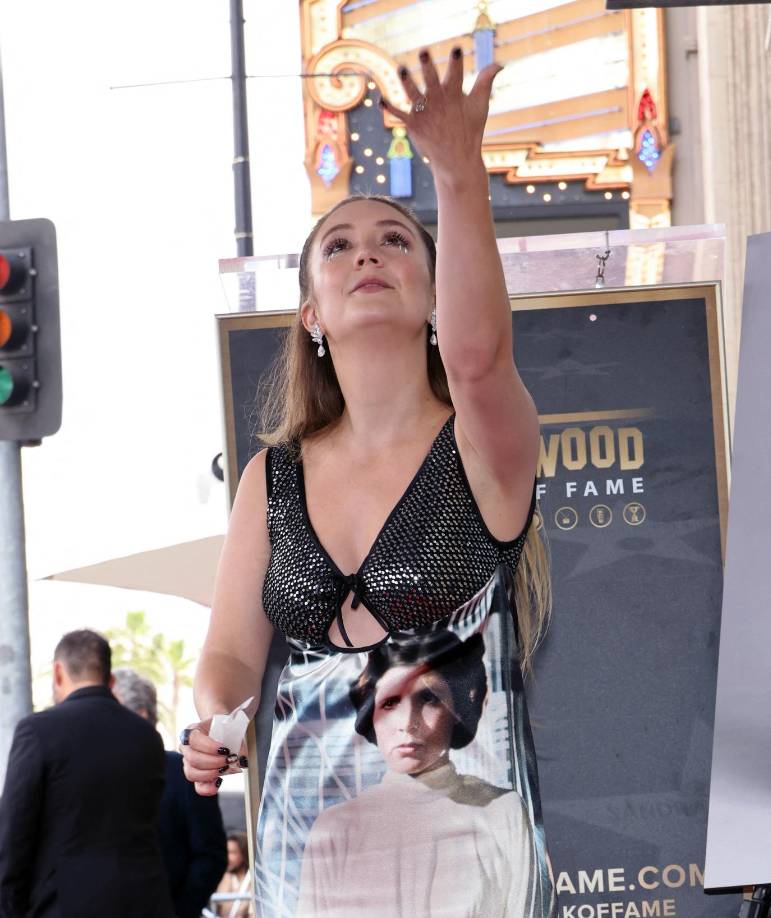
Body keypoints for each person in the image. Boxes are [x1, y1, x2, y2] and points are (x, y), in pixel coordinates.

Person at [181, 44, 553, 917]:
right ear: (311, 312)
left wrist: (458, 171)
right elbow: (232, 652)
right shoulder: (270, 480)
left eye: (395, 241)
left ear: (433, 296)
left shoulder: (482, 443)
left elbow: (480, 357)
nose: (367, 254)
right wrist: (215, 722)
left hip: (467, 864)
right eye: (338, 247)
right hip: (310, 856)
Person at [296, 632, 536, 917]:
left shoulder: (502, 811)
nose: (408, 724)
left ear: (458, 708)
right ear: (370, 713)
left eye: (429, 699)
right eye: (390, 703)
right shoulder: (335, 829)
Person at [0, 630, 175, 917]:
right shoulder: (146, 736)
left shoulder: (38, 731)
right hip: (145, 901)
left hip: (64, 905)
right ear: (110, 679)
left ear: (58, 672)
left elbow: (13, 835)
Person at [113, 668, 228, 917]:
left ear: (141, 716)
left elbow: (211, 856)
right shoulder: (97, 776)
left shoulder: (181, 771)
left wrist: (176, 913)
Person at [213, 832, 253, 917]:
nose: (227, 857)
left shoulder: (253, 880)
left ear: (244, 854)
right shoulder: (222, 878)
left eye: (232, 852)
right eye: (226, 852)